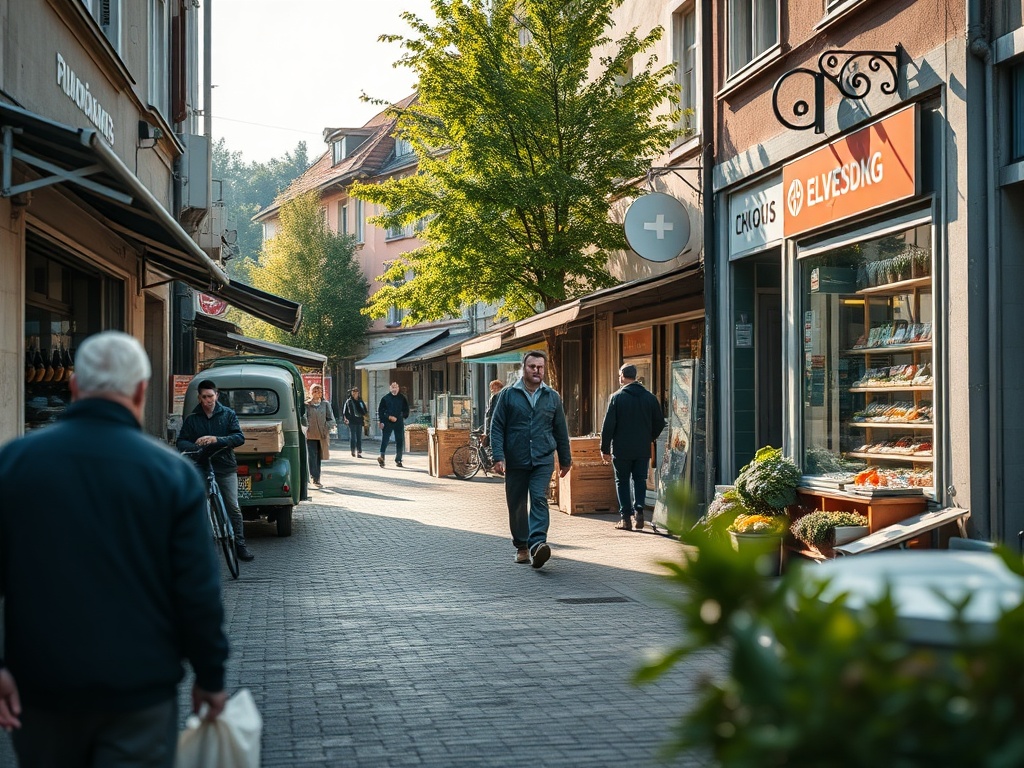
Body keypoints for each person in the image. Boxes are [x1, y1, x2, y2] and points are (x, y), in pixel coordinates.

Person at [0, 331, 228, 766]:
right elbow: (197, 591)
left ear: (73, 387)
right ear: (141, 391)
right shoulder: (171, 476)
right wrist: (210, 674)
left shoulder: (14, 465)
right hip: (138, 689)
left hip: (43, 687)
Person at [490, 351, 572, 568]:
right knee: (516, 504)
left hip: (543, 457)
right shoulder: (508, 395)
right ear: (523, 369)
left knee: (538, 498)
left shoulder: (552, 397)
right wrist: (498, 456)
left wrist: (566, 460)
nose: (537, 371)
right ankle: (522, 547)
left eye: (540, 367)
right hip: (516, 458)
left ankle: (537, 545)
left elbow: (560, 430)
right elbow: (497, 426)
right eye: (532, 367)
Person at [178, 378, 253, 561]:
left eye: (211, 396)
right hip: (201, 467)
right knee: (199, 507)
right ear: (199, 398)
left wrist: (216, 440)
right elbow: (181, 441)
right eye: (204, 397)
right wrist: (196, 445)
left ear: (216, 395)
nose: (208, 400)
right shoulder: (192, 419)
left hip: (225, 466)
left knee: (233, 506)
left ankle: (240, 545)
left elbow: (239, 437)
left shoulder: (228, 414)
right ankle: (202, 547)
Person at [600, 364, 666, 531]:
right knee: (640, 480)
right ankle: (639, 513)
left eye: (619, 375)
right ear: (635, 376)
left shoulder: (617, 397)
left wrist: (605, 449)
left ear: (622, 376)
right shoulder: (650, 398)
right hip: (642, 449)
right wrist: (649, 438)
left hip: (621, 449)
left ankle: (626, 518)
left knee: (621, 481)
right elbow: (660, 423)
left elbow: (608, 426)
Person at [304, 383, 336, 488]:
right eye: (315, 391)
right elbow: (303, 419)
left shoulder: (325, 404)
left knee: (319, 457)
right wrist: (306, 427)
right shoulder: (307, 405)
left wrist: (326, 427)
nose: (318, 393)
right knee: (312, 456)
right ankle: (315, 478)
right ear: (311, 392)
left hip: (322, 435)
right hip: (310, 435)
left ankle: (317, 477)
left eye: (320, 391)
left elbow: (331, 419)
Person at [377, 381, 409, 468]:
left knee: (400, 440)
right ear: (390, 388)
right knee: (385, 440)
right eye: (393, 387)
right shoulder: (385, 399)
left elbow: (406, 410)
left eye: (396, 387)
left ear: (398, 388)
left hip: (398, 421)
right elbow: (381, 411)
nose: (394, 389)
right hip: (388, 422)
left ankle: (398, 459)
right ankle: (382, 458)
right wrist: (385, 419)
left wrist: (402, 416)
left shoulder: (402, 398)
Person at [342, 386, 368, 457]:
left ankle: (359, 452)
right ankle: (353, 450)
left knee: (359, 437)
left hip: (359, 420)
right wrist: (346, 419)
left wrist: (364, 415)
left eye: (356, 392)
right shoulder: (349, 401)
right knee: (353, 437)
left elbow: (364, 410)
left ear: (358, 393)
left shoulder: (360, 401)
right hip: (352, 421)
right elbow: (345, 412)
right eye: (353, 392)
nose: (354, 393)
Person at [481, 379, 504, 448]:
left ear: (499, 388)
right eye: (492, 388)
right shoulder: (495, 396)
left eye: (494, 388)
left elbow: (493, 410)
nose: (492, 390)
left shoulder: (497, 397)